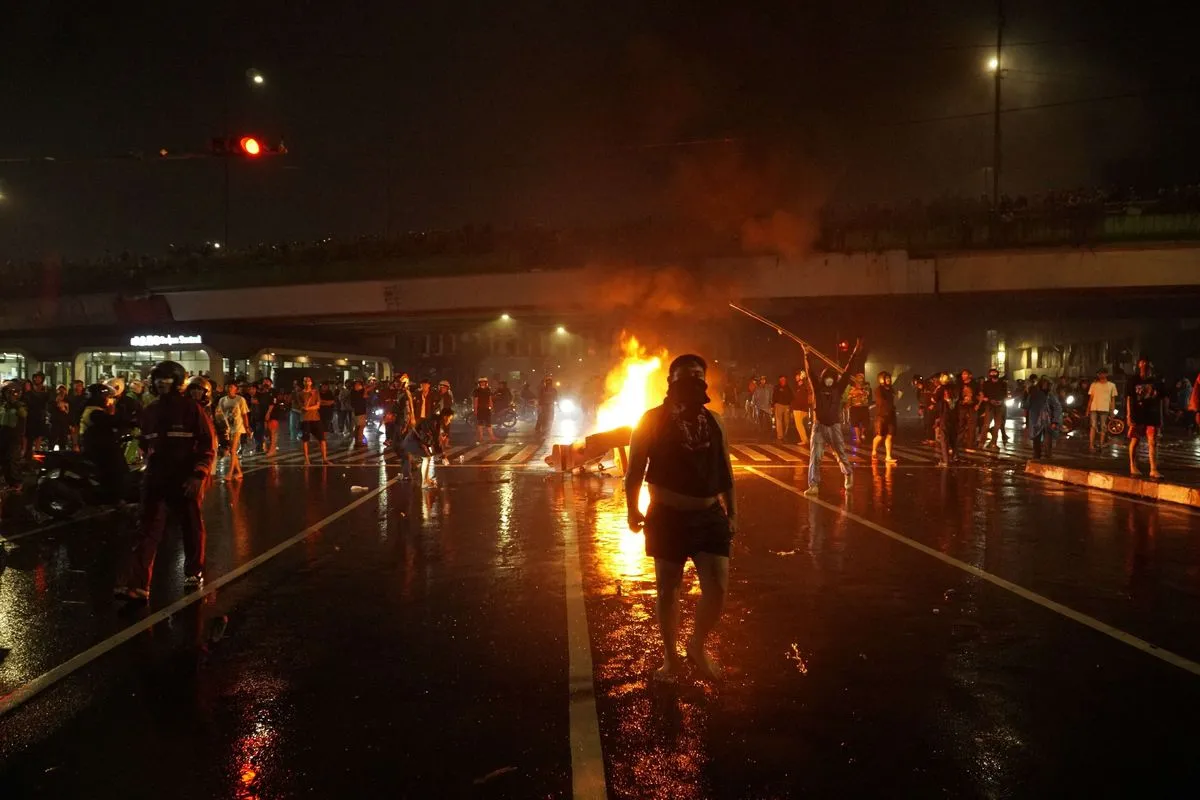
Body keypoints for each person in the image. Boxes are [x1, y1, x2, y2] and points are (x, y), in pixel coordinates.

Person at [625, 354, 735, 683]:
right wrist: (632, 508)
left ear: (705, 381)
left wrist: (733, 512)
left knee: (717, 591)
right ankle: (671, 658)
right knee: (668, 589)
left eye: (698, 374)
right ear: (671, 382)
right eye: (684, 375)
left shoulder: (715, 421)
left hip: (709, 516)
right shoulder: (651, 420)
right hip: (667, 518)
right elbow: (633, 472)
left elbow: (725, 469)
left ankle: (696, 646)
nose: (692, 380)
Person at [115, 360, 216, 600]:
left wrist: (198, 475)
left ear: (178, 382)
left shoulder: (192, 410)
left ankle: (194, 572)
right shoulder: (149, 411)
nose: (160, 383)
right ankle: (138, 584)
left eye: (166, 378)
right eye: (157, 379)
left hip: (185, 477)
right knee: (147, 528)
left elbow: (207, 446)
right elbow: (145, 442)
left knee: (191, 525)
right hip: (156, 476)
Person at [803, 340, 861, 495]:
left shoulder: (838, 388)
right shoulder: (817, 387)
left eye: (832, 377)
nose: (829, 379)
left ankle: (848, 474)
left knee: (840, 453)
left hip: (834, 426)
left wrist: (855, 352)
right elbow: (810, 373)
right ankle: (813, 485)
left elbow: (848, 371)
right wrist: (806, 354)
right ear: (823, 378)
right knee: (815, 456)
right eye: (827, 377)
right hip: (819, 426)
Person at [79, 383, 128, 504]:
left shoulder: (93, 410)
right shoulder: (95, 413)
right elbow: (112, 422)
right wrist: (113, 412)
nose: (109, 399)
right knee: (116, 469)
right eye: (107, 396)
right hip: (100, 449)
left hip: (97, 446)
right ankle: (114, 498)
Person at [1126, 356, 1165, 479]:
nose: (1145, 366)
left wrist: (1161, 417)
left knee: (1152, 441)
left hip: (1152, 414)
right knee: (1135, 440)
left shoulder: (1156, 381)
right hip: (1138, 414)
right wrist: (1129, 415)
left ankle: (1153, 469)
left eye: (1147, 363)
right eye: (1142, 363)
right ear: (1138, 365)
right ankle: (1133, 465)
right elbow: (1129, 398)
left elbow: (1161, 399)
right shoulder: (1133, 380)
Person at [403, 406, 455, 488]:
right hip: (413, 441)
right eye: (450, 419)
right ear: (445, 416)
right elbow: (434, 440)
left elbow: (434, 439)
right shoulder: (434, 422)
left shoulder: (436, 421)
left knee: (428, 457)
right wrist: (443, 456)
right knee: (426, 458)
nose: (450, 421)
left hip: (416, 440)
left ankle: (426, 479)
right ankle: (424, 482)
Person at [218, 381, 250, 480]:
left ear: (236, 389)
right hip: (228, 427)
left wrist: (247, 427)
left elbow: (244, 414)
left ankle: (230, 473)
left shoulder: (240, 399)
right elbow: (220, 414)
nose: (229, 388)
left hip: (238, 427)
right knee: (232, 452)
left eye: (232, 387)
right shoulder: (222, 400)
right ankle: (239, 472)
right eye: (228, 386)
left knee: (233, 450)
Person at [297, 375, 331, 465]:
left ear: (311, 382)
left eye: (308, 381)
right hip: (306, 419)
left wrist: (308, 408)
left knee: (322, 439)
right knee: (305, 440)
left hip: (316, 418)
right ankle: (306, 459)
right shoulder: (300, 394)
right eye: (305, 381)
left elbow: (318, 405)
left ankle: (324, 459)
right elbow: (303, 407)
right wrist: (309, 398)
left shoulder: (316, 392)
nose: (307, 382)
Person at [1027, 377, 1062, 460]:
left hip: (1048, 422)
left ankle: (1047, 459)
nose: (1046, 386)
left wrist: (1055, 421)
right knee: (1036, 442)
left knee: (1048, 443)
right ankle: (1037, 459)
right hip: (1036, 422)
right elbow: (1026, 406)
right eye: (1044, 384)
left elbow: (1058, 408)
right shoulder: (1034, 394)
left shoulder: (1051, 396)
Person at [0, 380, 27, 488]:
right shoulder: (3, 405)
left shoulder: (21, 404)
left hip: (14, 436)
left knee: (12, 460)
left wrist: (15, 404)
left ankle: (16, 483)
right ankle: (7, 481)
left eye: (10, 392)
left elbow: (24, 415)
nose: (8, 395)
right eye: (6, 392)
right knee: (4, 459)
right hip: (3, 434)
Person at [1086, 368, 1119, 451]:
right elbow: (1091, 398)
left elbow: (1113, 400)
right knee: (1093, 426)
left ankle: (1101, 444)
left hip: (1105, 408)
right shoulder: (1094, 384)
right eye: (1099, 374)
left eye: (1102, 373)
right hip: (1094, 407)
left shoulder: (1112, 385)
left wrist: (1112, 411)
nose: (1100, 375)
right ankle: (1091, 445)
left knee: (1103, 426)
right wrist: (1088, 409)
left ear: (1106, 374)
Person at [870, 371, 899, 464]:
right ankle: (874, 450)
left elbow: (894, 400)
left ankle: (888, 456)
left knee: (890, 436)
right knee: (880, 436)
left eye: (889, 378)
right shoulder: (879, 390)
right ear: (881, 379)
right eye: (886, 378)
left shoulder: (891, 389)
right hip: (881, 416)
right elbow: (882, 401)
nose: (888, 380)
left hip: (891, 416)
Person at [978, 368, 1009, 448]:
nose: (993, 374)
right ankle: (982, 442)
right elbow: (983, 395)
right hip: (990, 406)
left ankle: (993, 442)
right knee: (986, 424)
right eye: (991, 373)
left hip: (999, 406)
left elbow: (1005, 395)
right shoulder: (986, 383)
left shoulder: (1003, 383)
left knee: (997, 425)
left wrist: (1001, 401)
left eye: (995, 373)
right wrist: (988, 399)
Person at [930, 372, 956, 466]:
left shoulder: (941, 388)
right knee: (953, 436)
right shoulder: (954, 388)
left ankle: (946, 460)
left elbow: (933, 399)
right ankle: (954, 456)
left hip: (944, 414)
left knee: (944, 437)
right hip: (954, 415)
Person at [23, 372, 50, 459]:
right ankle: (26, 454)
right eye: (35, 377)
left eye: (39, 378)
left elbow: (47, 402)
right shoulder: (29, 392)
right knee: (28, 436)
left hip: (39, 415)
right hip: (30, 416)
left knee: (39, 435)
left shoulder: (45, 390)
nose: (36, 379)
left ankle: (37, 454)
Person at [845, 371, 872, 443]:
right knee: (855, 423)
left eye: (861, 378)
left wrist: (858, 390)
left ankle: (862, 433)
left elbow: (866, 393)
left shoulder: (866, 386)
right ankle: (857, 437)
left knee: (865, 423)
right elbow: (849, 396)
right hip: (854, 407)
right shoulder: (851, 388)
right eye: (858, 378)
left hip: (864, 407)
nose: (860, 380)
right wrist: (848, 404)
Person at [259, 377, 281, 456]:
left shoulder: (273, 391)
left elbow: (273, 403)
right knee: (267, 431)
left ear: (271, 383)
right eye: (264, 382)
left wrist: (268, 413)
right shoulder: (262, 393)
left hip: (273, 414)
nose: (265, 383)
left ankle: (272, 449)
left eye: (267, 381)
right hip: (264, 414)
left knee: (272, 431)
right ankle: (270, 447)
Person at [472, 377, 496, 444]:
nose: (483, 383)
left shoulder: (488, 389)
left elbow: (490, 399)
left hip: (487, 409)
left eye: (484, 382)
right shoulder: (477, 390)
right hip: (480, 409)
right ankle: (481, 437)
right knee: (480, 423)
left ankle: (492, 436)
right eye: (481, 382)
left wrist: (491, 407)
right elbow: (475, 400)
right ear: (479, 383)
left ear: (486, 383)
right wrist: (475, 409)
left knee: (489, 423)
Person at [790, 369, 811, 445]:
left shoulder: (804, 385)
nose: (796, 377)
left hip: (800, 408)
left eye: (797, 375)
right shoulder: (797, 386)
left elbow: (808, 389)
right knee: (800, 425)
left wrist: (804, 379)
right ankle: (805, 439)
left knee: (799, 425)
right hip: (798, 408)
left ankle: (804, 440)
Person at [49, 384, 71, 451]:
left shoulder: (68, 400)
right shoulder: (52, 400)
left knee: (63, 442)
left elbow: (69, 412)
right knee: (52, 441)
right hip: (55, 423)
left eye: (63, 390)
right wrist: (56, 402)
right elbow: (50, 409)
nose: (61, 391)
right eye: (60, 390)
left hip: (64, 424)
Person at [771, 375, 792, 443]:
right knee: (779, 421)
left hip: (786, 406)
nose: (783, 380)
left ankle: (785, 434)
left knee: (787, 421)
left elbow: (791, 397)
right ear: (779, 380)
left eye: (784, 379)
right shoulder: (777, 387)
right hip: (778, 405)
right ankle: (780, 436)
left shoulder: (788, 388)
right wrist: (773, 405)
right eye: (782, 379)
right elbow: (774, 396)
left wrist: (790, 405)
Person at [348, 378, 368, 449]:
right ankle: (359, 441)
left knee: (358, 426)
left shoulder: (356, 391)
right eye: (357, 385)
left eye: (359, 384)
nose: (359, 386)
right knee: (361, 426)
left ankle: (357, 441)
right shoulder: (355, 392)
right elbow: (365, 396)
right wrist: (365, 389)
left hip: (359, 410)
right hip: (359, 411)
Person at [67, 380, 87, 450]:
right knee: (75, 440)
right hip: (74, 420)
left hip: (82, 420)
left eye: (80, 385)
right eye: (76, 385)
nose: (78, 387)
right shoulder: (70, 397)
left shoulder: (85, 398)